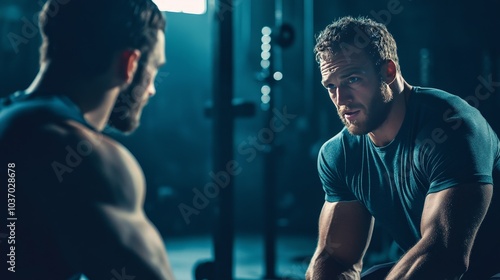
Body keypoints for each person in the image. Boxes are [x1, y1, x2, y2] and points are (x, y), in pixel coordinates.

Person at [306, 16, 500, 280]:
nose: (341, 99)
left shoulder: (451, 127)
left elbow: (444, 254)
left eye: (352, 79)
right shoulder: (339, 154)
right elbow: (336, 259)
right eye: (331, 86)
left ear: (388, 71)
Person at [0, 0, 175, 279]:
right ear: (129, 63)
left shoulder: (9, 121)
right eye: (154, 68)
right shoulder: (82, 154)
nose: (152, 90)